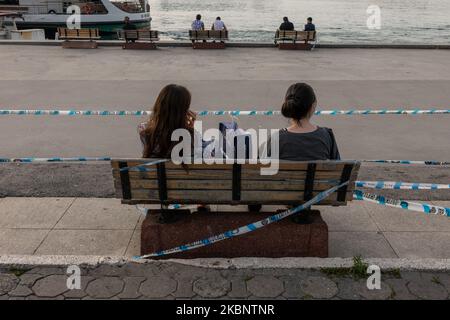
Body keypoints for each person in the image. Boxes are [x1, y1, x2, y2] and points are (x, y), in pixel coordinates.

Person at [273, 83, 340, 161]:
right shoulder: (326, 136)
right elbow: (336, 165)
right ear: (313, 106)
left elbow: (263, 169)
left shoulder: (276, 139)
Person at [139, 84, 196, 159]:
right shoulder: (188, 135)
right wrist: (192, 130)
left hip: (156, 170)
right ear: (184, 111)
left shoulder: (146, 133)